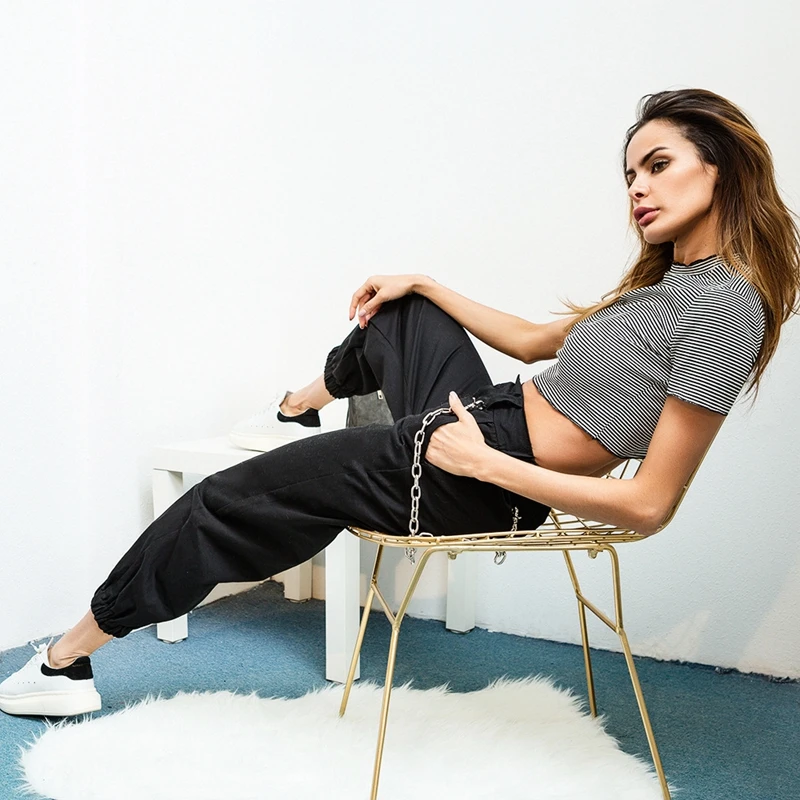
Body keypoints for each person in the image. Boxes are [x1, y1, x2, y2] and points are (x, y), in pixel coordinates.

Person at [1, 88, 798, 718]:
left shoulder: (726, 307)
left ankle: (64, 663)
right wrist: (425, 282)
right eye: (629, 175)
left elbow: (651, 505)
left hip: (483, 469)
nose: (637, 189)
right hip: (483, 421)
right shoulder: (666, 286)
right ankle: (297, 408)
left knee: (228, 500)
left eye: (656, 165)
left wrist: (486, 464)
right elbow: (529, 342)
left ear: (720, 167)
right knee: (404, 311)